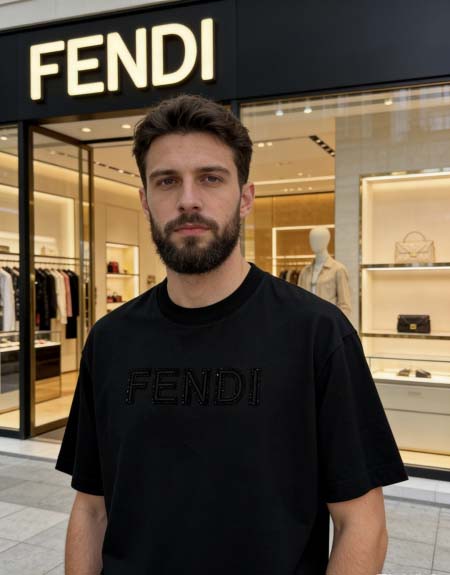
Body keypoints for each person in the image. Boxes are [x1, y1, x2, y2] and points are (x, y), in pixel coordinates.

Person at [55, 94, 408, 575]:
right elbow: (91, 508)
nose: (188, 199)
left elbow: (362, 524)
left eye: (210, 178)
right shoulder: (111, 340)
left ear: (245, 198)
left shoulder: (317, 334)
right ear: (145, 201)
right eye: (166, 181)